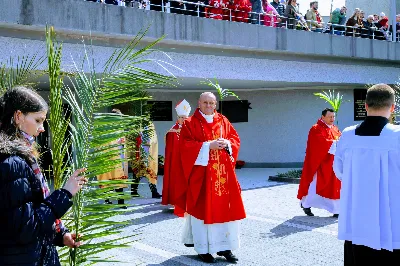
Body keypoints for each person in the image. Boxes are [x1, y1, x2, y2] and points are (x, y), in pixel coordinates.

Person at [0, 86, 86, 265]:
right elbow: (26, 228)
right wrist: (65, 194)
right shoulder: (12, 163)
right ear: (18, 117)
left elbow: (21, 220)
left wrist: (60, 236)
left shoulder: (19, 157)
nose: (42, 129)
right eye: (38, 120)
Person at [333, 84, 400, 265]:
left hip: (356, 220)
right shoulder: (397, 136)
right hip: (392, 223)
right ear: (393, 107)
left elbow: (339, 172)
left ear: (366, 106)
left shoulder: (347, 135)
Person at [177, 92, 246, 263]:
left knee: (226, 211)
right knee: (203, 211)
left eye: (212, 103)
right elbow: (185, 146)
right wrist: (208, 146)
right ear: (199, 103)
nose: (209, 106)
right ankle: (203, 249)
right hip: (202, 178)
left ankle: (225, 247)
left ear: (215, 104)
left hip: (223, 175)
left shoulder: (223, 120)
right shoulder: (189, 123)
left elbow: (234, 138)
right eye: (205, 102)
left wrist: (227, 144)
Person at [297, 108, 341, 217]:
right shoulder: (316, 128)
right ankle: (306, 204)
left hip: (333, 164)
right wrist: (335, 143)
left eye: (333, 117)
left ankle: (336, 209)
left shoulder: (335, 128)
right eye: (330, 117)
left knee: (334, 187)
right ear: (323, 117)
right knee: (314, 186)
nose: (332, 119)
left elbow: (341, 139)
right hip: (320, 164)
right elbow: (319, 143)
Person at [161, 99, 191, 216]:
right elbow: (173, 149)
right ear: (178, 117)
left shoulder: (190, 129)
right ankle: (176, 203)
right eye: (182, 117)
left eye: (185, 117)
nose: (184, 120)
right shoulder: (173, 131)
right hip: (177, 162)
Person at [97, 109, 129, 207]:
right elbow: (101, 143)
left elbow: (123, 143)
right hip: (107, 159)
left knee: (119, 180)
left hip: (118, 160)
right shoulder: (105, 129)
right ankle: (107, 201)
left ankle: (121, 202)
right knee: (107, 180)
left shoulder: (120, 129)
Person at [130, 121, 162, 198]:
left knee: (151, 173)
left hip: (150, 154)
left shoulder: (151, 125)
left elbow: (154, 141)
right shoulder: (137, 126)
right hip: (140, 154)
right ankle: (133, 190)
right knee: (137, 173)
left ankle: (154, 192)